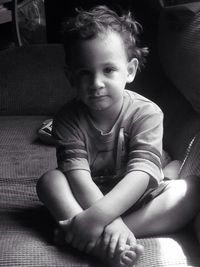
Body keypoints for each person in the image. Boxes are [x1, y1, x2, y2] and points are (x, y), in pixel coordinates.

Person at [36, 5, 200, 267]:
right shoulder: (67, 119)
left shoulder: (147, 113)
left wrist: (94, 222)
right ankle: (104, 240)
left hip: (136, 199)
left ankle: (84, 235)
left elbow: (141, 176)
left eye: (108, 70)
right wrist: (102, 217)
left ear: (130, 70)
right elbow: (78, 178)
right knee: (50, 181)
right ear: (71, 77)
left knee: (190, 190)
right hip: (88, 200)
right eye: (85, 73)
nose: (97, 83)